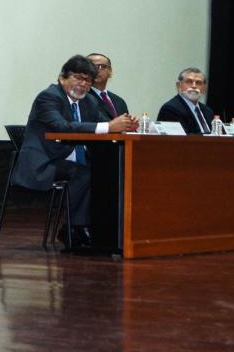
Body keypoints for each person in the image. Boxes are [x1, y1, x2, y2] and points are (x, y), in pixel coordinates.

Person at [11, 55, 137, 249]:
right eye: (78, 77)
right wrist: (109, 126)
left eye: (87, 80)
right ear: (62, 78)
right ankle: (75, 228)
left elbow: (104, 124)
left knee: (110, 173)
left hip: (73, 159)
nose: (83, 84)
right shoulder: (49, 96)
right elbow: (61, 126)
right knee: (83, 174)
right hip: (45, 162)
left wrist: (125, 125)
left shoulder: (89, 102)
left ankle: (108, 230)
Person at [157, 67, 215, 134]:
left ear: (204, 88)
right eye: (189, 82)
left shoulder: (208, 111)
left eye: (198, 83)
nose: (194, 86)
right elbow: (178, 140)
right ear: (179, 86)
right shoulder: (170, 109)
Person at [86, 53, 132, 120]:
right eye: (91, 67)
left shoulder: (119, 101)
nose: (95, 70)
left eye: (101, 66)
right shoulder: (81, 98)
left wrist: (131, 126)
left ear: (110, 71)